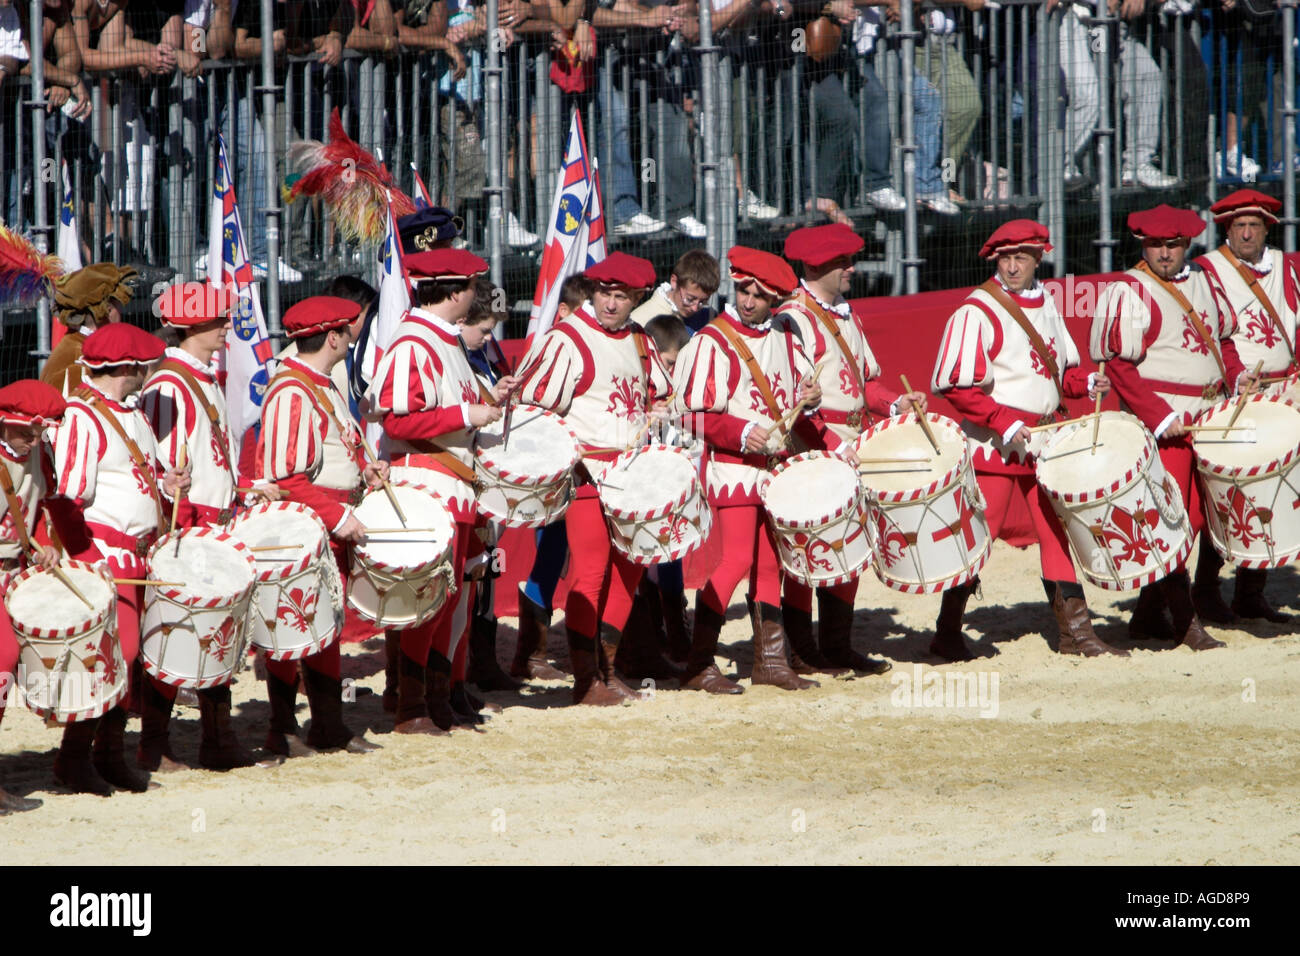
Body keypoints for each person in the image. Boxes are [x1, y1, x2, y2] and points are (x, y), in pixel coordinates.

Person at [931, 220, 1126, 661]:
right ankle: (947, 631)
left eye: (1022, 257)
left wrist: (1084, 383)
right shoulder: (976, 310)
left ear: (1040, 259)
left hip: (1046, 440)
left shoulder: (1048, 304)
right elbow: (957, 386)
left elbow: (1058, 373)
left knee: (1057, 531)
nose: (1013, 265)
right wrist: (1002, 421)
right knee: (980, 539)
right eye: (1005, 257)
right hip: (995, 445)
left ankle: (1076, 633)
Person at [672, 245, 854, 694]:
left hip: (777, 468)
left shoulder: (788, 336)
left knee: (773, 562)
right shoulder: (712, 341)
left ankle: (770, 661)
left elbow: (800, 412)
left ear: (775, 298)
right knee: (735, 559)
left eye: (758, 294)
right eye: (742, 290)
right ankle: (698, 663)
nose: (748, 300)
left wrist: (820, 420)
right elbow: (689, 415)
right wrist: (739, 431)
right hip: (735, 467)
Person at [366, 249, 517, 732]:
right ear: (454, 292)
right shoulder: (413, 342)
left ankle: (436, 697)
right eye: (473, 287)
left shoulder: (443, 341)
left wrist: (489, 403)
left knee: (450, 601)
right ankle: (412, 707)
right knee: (427, 601)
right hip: (426, 482)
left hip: (453, 482)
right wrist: (466, 415)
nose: (477, 295)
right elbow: (395, 417)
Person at [516, 252, 673, 705]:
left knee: (628, 574)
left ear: (638, 298)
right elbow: (534, 407)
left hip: (634, 476)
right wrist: (566, 452)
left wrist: (660, 411)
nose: (610, 304)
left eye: (622, 296)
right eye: (604, 293)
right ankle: (585, 681)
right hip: (587, 476)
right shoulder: (567, 339)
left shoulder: (641, 341)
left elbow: (662, 393)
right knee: (590, 575)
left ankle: (608, 669)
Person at [1090, 204, 1249, 651]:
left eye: (1173, 244)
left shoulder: (1205, 280)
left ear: (1187, 245)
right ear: (1143, 245)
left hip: (1210, 417)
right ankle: (1184, 621)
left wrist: (1236, 378)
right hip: (1166, 424)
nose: (1164, 253)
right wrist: (1160, 418)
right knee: (1174, 519)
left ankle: (1145, 615)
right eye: (1156, 245)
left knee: (1199, 517)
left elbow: (1224, 342)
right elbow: (1120, 367)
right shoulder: (1130, 290)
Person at [49, 323, 190, 794]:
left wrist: (167, 487)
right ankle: (76, 757)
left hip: (136, 555)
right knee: (116, 655)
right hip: (104, 555)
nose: (148, 372)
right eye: (142, 366)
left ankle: (106, 756)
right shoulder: (82, 417)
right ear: (125, 368)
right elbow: (67, 498)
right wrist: (87, 557)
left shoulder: (131, 414)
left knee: (127, 659)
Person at [778, 222, 920, 674]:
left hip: (854, 443)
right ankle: (801, 650)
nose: (852, 269)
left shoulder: (844, 310)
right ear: (819, 265)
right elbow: (792, 399)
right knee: (809, 547)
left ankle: (836, 645)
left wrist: (895, 402)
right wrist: (830, 443)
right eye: (844, 262)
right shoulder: (793, 319)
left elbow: (865, 383)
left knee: (849, 543)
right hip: (813, 444)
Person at [256, 296, 386, 756]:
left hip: (328, 520)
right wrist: (338, 516)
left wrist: (364, 472)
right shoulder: (293, 390)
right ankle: (283, 730)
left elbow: (332, 450)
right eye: (348, 334)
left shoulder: (321, 383)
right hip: (307, 526)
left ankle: (328, 725)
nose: (352, 342)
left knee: (325, 624)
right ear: (333, 337)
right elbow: (286, 477)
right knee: (291, 626)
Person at [138, 281, 256, 772]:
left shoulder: (197, 375)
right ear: (194, 327)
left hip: (213, 515)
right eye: (217, 321)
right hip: (190, 520)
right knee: (180, 632)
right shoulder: (167, 383)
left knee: (217, 631)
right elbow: (159, 465)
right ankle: (155, 744)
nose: (226, 326)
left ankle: (217, 740)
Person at [1193, 188, 1295, 625]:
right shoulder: (1207, 270)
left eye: (1255, 225)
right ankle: (1207, 588)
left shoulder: (1287, 268)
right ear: (1227, 229)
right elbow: (1208, 333)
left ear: (1267, 228)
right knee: (1229, 493)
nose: (1248, 233)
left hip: (1286, 391)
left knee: (1274, 491)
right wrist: (1235, 377)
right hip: (1238, 396)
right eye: (1240, 226)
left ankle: (1252, 592)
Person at [509, 272, 594, 681]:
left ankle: (536, 653)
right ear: (565, 312)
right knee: (552, 551)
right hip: (554, 468)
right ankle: (529, 655)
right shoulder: (555, 345)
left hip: (577, 469)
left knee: (564, 553)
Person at [0, 381, 68, 814]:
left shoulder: (40, 454)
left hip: (16, 574)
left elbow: (42, 509)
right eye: (25, 431)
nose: (33, 440)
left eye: (39, 433)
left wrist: (47, 543)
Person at [42, 263, 135, 395]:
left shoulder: (83, 345)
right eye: (118, 305)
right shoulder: (76, 356)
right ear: (107, 311)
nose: (121, 312)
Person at [630, 248, 720, 332]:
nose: (695, 308)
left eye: (703, 302)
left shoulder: (709, 317)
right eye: (690, 299)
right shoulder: (640, 321)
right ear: (674, 282)